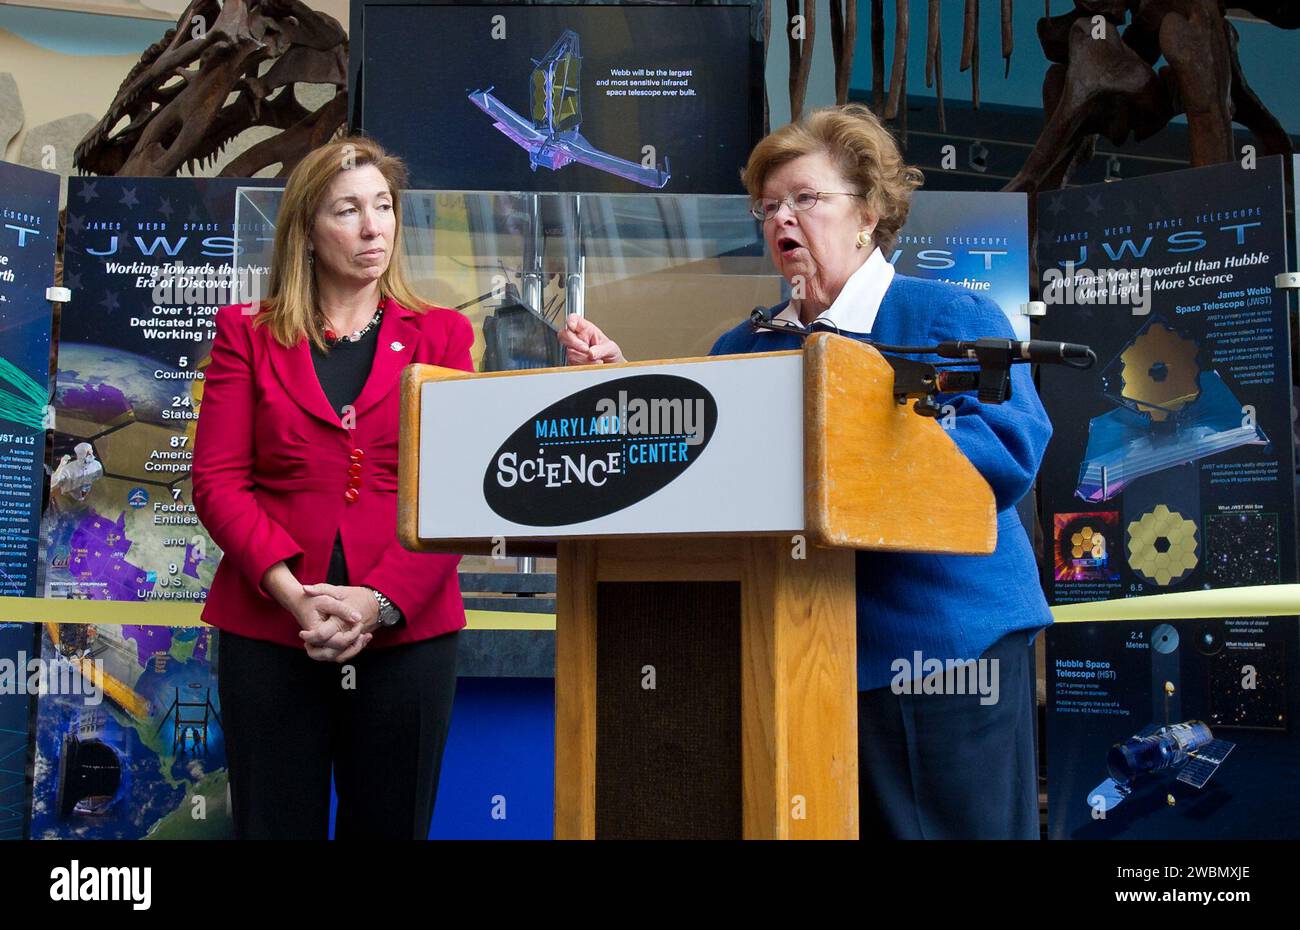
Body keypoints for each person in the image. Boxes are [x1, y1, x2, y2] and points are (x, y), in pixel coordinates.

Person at [559, 104, 1052, 839]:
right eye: (769, 206)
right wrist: (629, 392)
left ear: (870, 213)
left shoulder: (945, 314)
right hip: (790, 654)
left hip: (938, 656)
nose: (781, 217)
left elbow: (1007, 455)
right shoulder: (744, 343)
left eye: (805, 198)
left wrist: (853, 434)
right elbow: (702, 459)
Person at [192, 136, 474, 839]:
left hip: (407, 631)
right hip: (271, 630)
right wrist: (295, 596)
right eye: (348, 211)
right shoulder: (245, 334)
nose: (373, 226)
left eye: (383, 206)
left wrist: (379, 604)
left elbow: (458, 489)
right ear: (308, 233)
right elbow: (218, 481)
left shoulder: (444, 336)